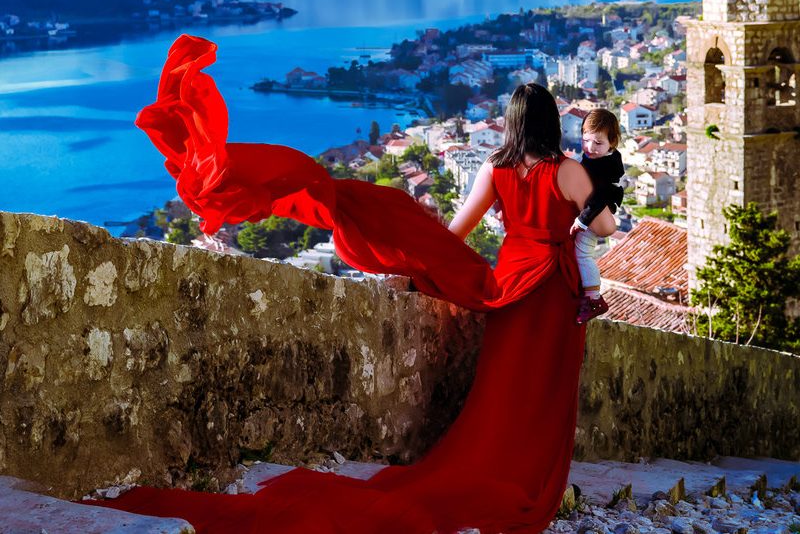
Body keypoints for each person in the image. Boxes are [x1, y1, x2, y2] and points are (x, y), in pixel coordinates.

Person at [95, 37, 615, 534]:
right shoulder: (569, 171)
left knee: (501, 386)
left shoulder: (495, 167)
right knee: (547, 387)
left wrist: (422, 247)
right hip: (555, 287)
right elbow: (605, 228)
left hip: (508, 282)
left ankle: (490, 466)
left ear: (511, 124)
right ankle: (532, 476)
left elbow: (456, 232)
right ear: (551, 124)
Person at [568, 109, 625, 325]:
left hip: (597, 212)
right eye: (585, 140)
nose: (590, 148)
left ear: (612, 142)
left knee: (583, 254)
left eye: (598, 143)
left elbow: (600, 197)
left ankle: (593, 299)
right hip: (592, 209)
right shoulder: (599, 157)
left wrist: (582, 220)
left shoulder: (607, 166)